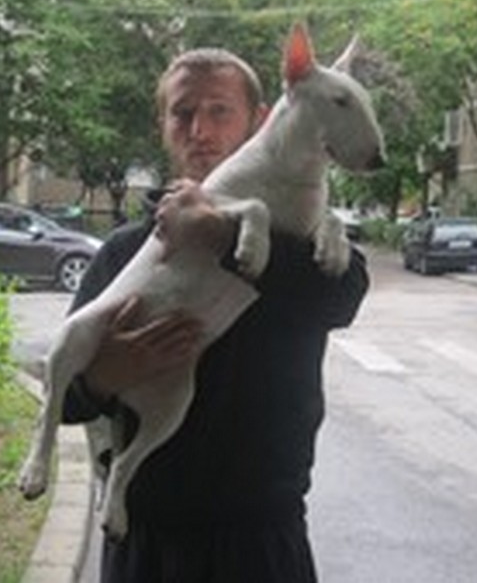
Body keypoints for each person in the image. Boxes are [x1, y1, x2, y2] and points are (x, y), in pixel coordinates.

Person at [62, 48, 370, 582]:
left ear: (261, 119)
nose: (199, 130)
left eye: (219, 111)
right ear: (163, 126)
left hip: (262, 539)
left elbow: (342, 297)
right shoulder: (127, 252)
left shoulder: (299, 239)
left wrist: (217, 234)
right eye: (182, 113)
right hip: (144, 540)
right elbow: (65, 397)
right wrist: (106, 375)